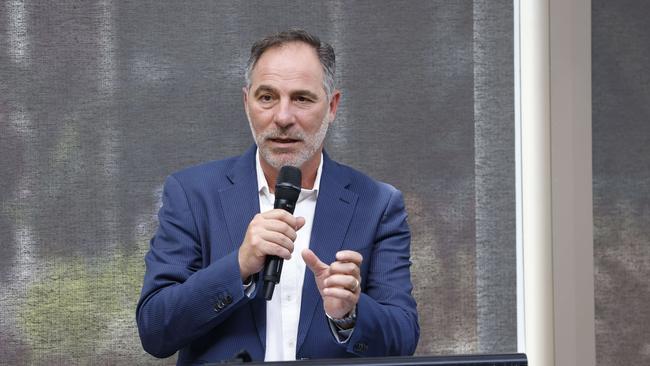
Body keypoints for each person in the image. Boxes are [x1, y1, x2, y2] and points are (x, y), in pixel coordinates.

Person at [136, 29, 419, 364]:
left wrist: (349, 313)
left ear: (332, 106)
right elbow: (154, 329)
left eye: (301, 98)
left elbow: (403, 340)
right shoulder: (192, 193)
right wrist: (238, 266)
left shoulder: (377, 204)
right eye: (267, 97)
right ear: (247, 103)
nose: (283, 118)